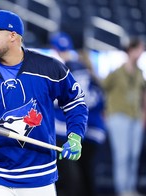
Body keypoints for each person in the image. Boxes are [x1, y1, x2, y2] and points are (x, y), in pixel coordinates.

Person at [0, 10, 88, 196]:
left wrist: (75, 136)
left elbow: (75, 102)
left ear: (13, 36)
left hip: (39, 174)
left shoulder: (49, 68)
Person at [50, 32, 107, 196]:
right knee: (79, 175)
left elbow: (81, 100)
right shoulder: (79, 69)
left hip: (71, 130)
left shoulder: (73, 68)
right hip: (80, 130)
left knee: (74, 177)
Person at [102, 37, 146, 196]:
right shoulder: (117, 72)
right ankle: (122, 190)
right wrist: (106, 111)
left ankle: (131, 188)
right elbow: (103, 89)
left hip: (136, 117)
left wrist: (144, 115)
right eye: (140, 49)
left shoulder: (140, 72)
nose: (142, 52)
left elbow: (143, 94)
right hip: (119, 116)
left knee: (134, 155)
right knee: (122, 155)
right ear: (131, 50)